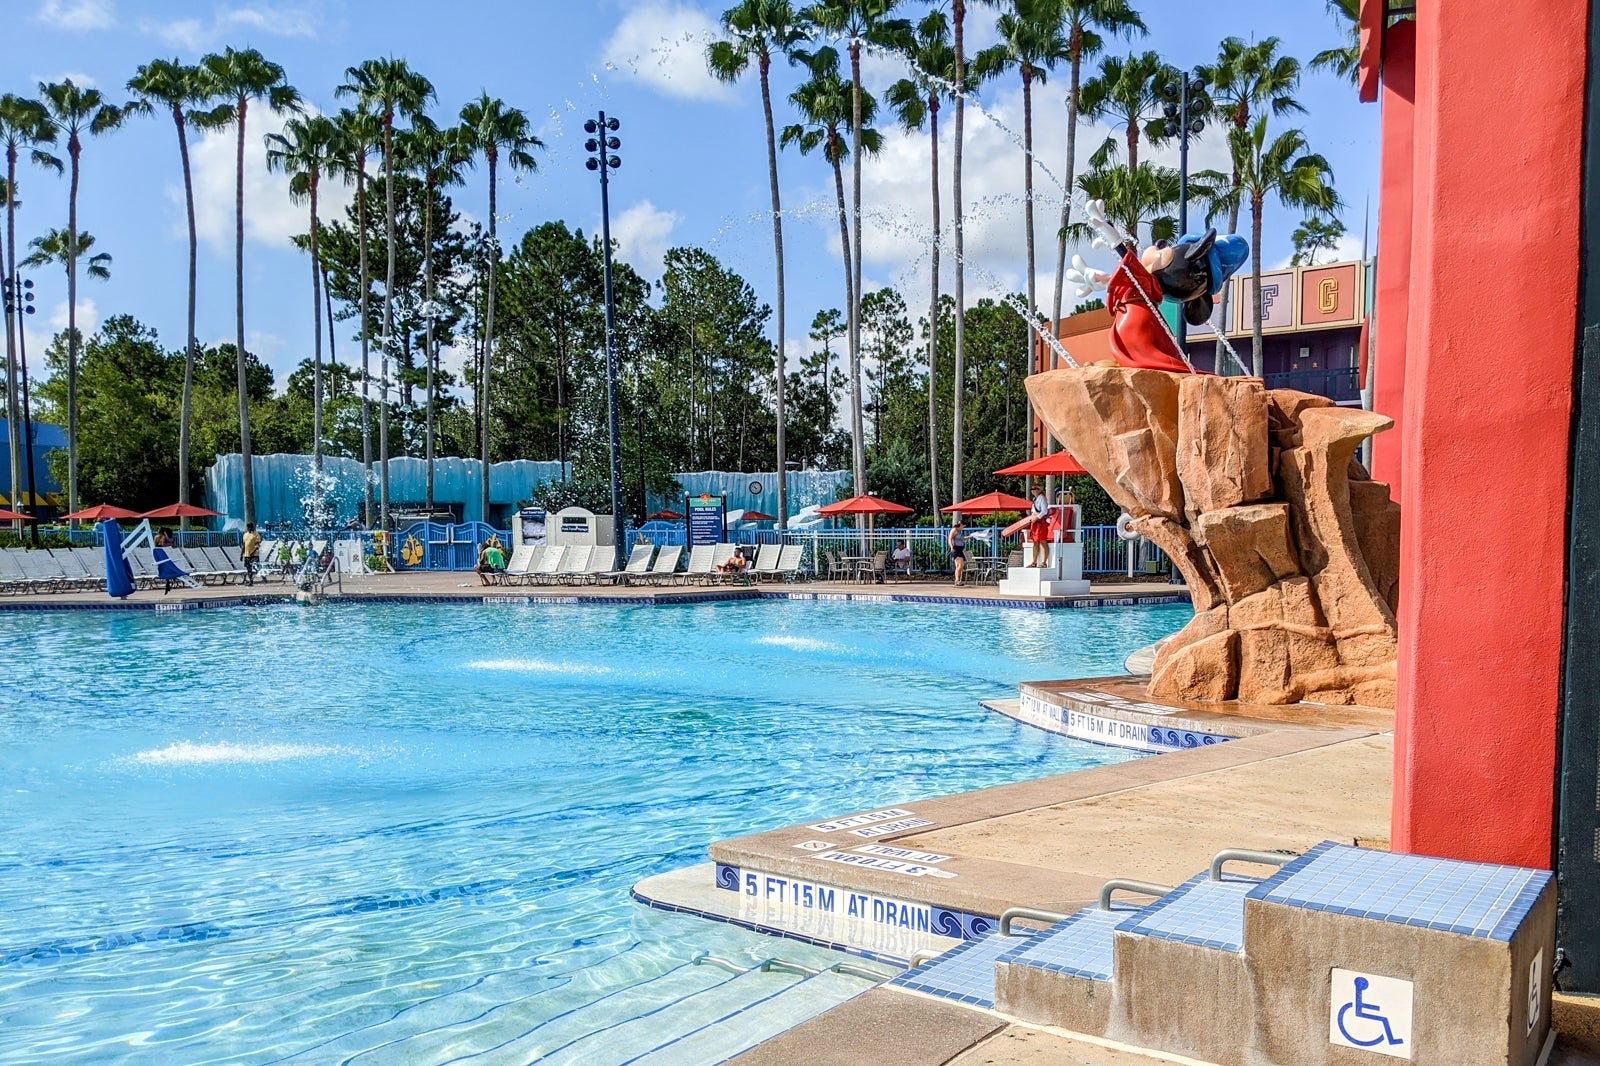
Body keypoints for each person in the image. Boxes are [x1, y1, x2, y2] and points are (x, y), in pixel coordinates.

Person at [1029, 490, 1051, 567]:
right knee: (1035, 542)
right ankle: (1034, 562)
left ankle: (1044, 562)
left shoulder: (1042, 498)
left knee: (1042, 541)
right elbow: (1033, 511)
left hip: (1042, 523)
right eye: (1032, 489)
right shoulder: (1035, 499)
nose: (1033, 490)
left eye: (1035, 489)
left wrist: (1037, 517)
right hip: (1036, 523)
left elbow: (1044, 511)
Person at [948, 515, 968, 587]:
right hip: (955, 549)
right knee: (960, 565)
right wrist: (951, 547)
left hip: (960, 549)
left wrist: (970, 537)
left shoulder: (960, 531)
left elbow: (962, 539)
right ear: (961, 525)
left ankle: (958, 580)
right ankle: (957, 580)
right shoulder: (954, 530)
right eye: (963, 526)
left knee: (960, 565)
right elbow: (950, 539)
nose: (963, 528)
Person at [241, 522, 261, 587]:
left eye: (250, 526)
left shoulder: (256, 535)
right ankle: (251, 581)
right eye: (248, 527)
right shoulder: (245, 535)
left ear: (252, 527)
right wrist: (241, 554)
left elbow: (257, 545)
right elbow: (244, 545)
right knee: (248, 569)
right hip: (247, 555)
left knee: (257, 568)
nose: (249, 528)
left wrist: (253, 551)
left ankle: (263, 577)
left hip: (254, 555)